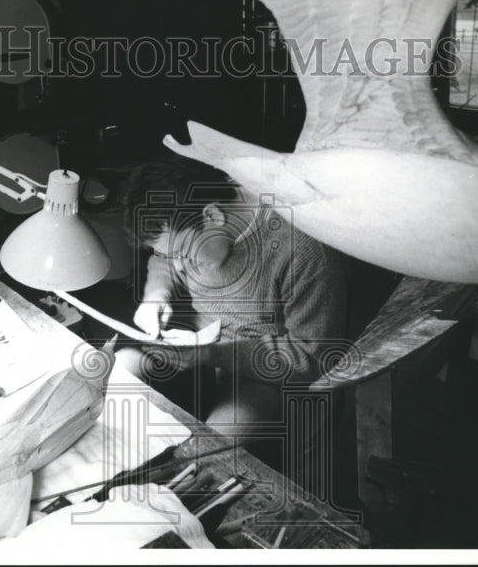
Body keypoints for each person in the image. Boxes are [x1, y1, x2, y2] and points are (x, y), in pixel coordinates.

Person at [117, 155, 349, 445]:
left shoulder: (305, 250)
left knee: (209, 448)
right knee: (117, 374)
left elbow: (311, 358)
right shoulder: (187, 222)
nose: (180, 263)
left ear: (213, 216)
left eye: (185, 254)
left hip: (265, 372)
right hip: (198, 345)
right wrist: (156, 295)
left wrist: (213, 354)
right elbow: (162, 259)